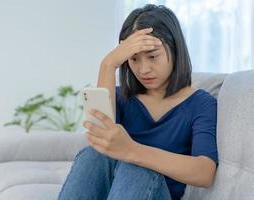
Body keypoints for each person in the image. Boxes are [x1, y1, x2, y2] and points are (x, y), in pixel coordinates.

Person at [58, 4, 218, 200]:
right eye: (134, 59)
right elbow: (100, 145)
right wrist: (108, 65)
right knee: (94, 154)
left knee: (137, 168)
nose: (144, 69)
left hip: (155, 192)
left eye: (152, 57)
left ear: (175, 50)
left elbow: (205, 172)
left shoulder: (200, 103)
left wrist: (133, 151)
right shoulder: (122, 98)